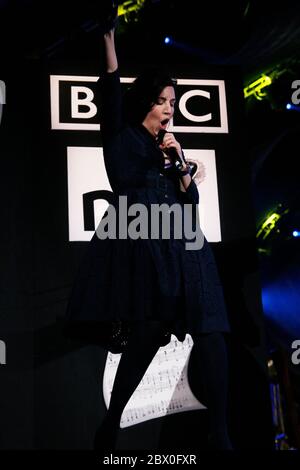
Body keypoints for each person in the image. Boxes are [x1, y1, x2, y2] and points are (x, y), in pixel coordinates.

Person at [64, 4, 232, 451]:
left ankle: (222, 433)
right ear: (147, 102)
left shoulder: (170, 151)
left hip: (186, 244)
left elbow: (190, 200)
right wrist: (108, 40)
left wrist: (181, 166)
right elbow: (111, 87)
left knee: (211, 328)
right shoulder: (121, 135)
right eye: (164, 102)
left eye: (174, 104)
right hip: (146, 240)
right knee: (147, 333)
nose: (170, 111)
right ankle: (113, 419)